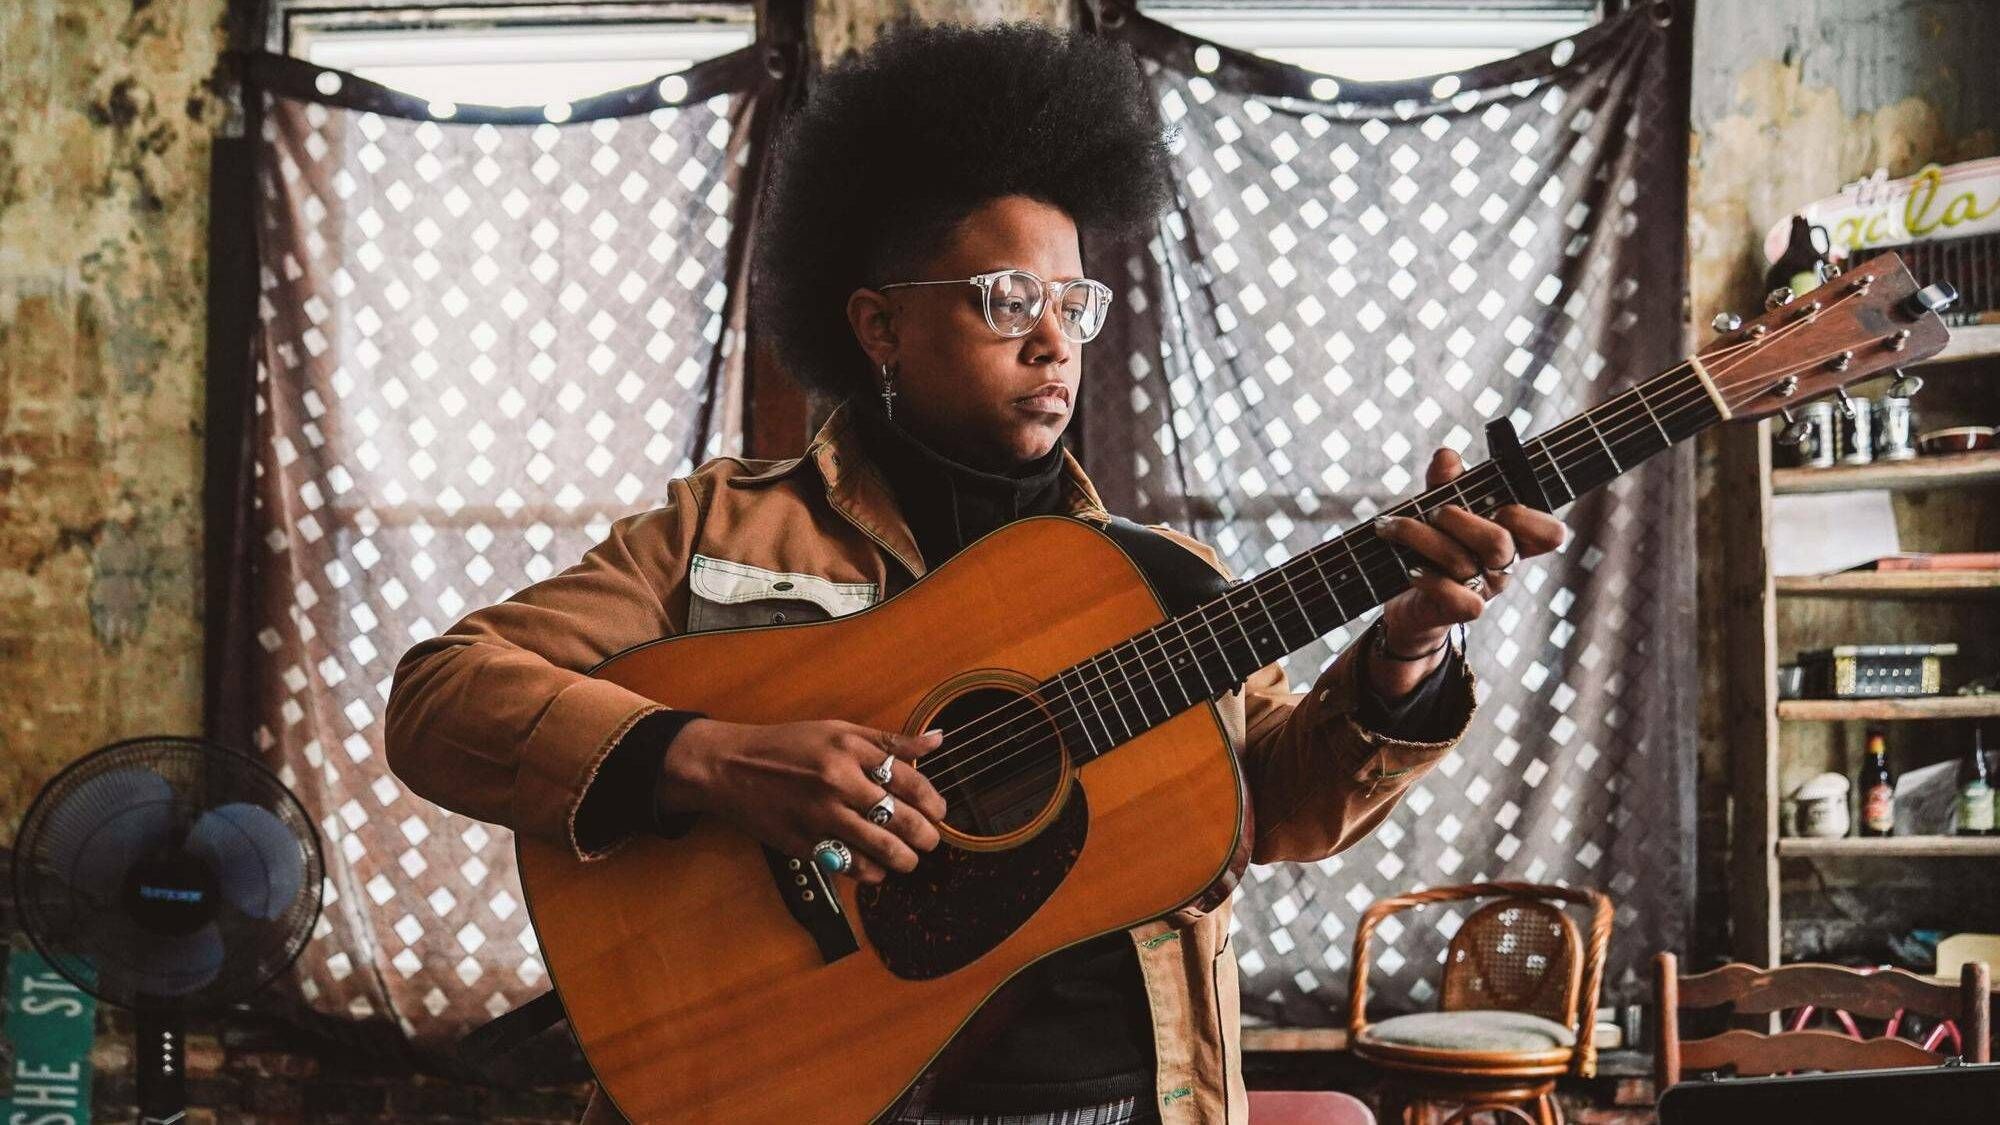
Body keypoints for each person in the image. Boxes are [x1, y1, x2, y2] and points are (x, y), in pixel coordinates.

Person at [385, 21, 1568, 1125]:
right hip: (811, 1087)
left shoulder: (1161, 583)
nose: (1053, 340)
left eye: (1072, 301)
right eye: (1007, 300)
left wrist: (1406, 645)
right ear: (879, 326)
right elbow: (443, 693)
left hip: (1112, 1097)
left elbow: (1282, 804)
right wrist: (707, 757)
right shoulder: (721, 532)